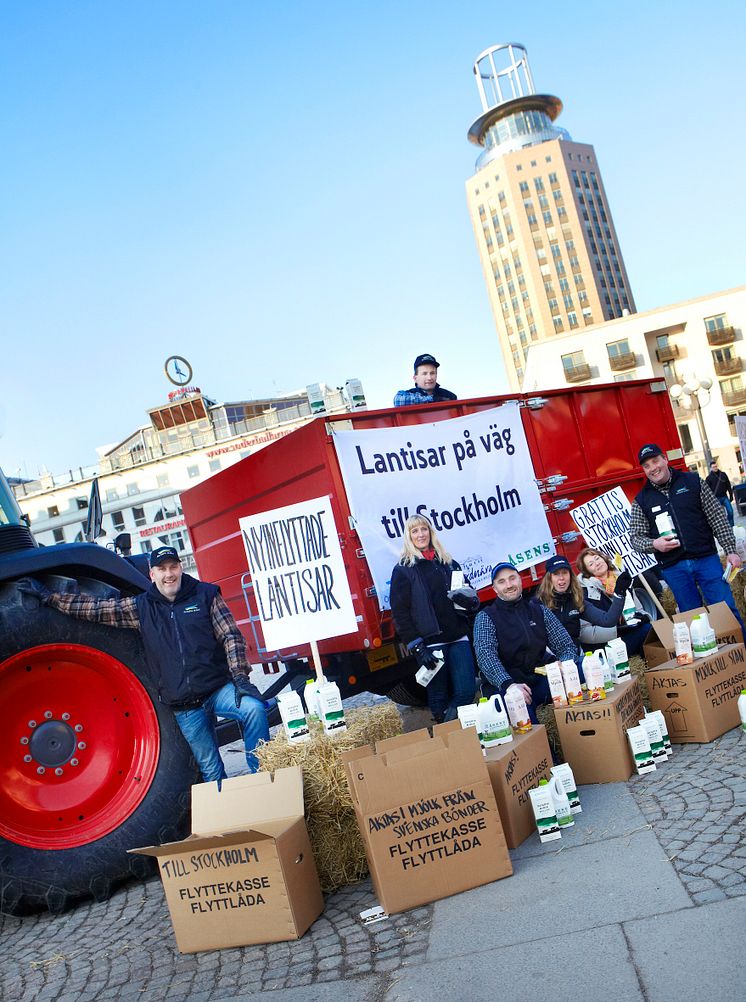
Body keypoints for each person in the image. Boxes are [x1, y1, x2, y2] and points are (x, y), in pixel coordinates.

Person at [17, 545, 270, 783]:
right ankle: (232, 818)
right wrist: (50, 597)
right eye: (162, 569)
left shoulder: (206, 595)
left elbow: (231, 635)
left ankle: (260, 779)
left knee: (254, 709)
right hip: (185, 706)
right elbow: (95, 608)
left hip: (218, 690)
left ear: (180, 568)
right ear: (152, 574)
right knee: (212, 771)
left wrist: (240, 678)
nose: (168, 574)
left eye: (173, 567)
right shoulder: (141, 607)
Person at [630, 443, 744, 627]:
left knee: (726, 610)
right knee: (693, 620)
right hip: (674, 568)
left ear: (665, 459)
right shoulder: (641, 500)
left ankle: (740, 654)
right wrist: (654, 544)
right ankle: (711, 656)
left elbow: (717, 517)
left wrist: (731, 550)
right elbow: (635, 538)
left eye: (655, 461)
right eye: (646, 466)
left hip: (706, 558)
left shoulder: (692, 481)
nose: (653, 468)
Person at [389, 514, 478, 722]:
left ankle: (452, 735)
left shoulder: (448, 562)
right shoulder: (403, 569)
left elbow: (470, 594)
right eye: (415, 531)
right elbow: (400, 612)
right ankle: (447, 741)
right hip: (431, 643)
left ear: (430, 532)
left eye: (424, 529)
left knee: (466, 691)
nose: (420, 534)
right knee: (438, 696)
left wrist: (469, 601)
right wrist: (418, 647)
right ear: (409, 536)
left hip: (458, 637)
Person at [473, 561, 580, 723]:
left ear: (520, 580)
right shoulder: (486, 617)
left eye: (512, 578)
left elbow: (566, 645)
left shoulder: (538, 610)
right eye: (501, 582)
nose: (509, 585)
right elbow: (485, 656)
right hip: (508, 687)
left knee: (583, 668)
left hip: (539, 680)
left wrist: (565, 664)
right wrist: (509, 685)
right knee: (524, 717)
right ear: (494, 589)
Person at [536, 553, 632, 654]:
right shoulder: (538, 604)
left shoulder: (576, 599)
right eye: (556, 574)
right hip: (552, 661)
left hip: (576, 656)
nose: (561, 578)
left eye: (564, 572)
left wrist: (619, 594)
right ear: (549, 578)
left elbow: (608, 620)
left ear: (570, 576)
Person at [574, 548, 653, 656]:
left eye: (597, 558)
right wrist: (617, 630)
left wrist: (644, 617)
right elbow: (584, 633)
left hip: (629, 631)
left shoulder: (622, 579)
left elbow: (639, 609)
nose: (597, 563)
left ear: (604, 558)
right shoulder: (584, 593)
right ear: (587, 572)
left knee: (650, 629)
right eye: (591, 564)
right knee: (646, 631)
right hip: (604, 645)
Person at [393, 353, 458, 407]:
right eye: (424, 374)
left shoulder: (450, 396)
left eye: (432, 373)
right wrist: (432, 399)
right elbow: (398, 400)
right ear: (415, 378)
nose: (429, 378)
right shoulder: (408, 394)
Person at [706, 459, 735, 527]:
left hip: (724, 497)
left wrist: (731, 495)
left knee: (730, 512)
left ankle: (731, 526)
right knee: (721, 515)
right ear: (711, 468)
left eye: (716, 466)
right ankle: (726, 527)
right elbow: (707, 491)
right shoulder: (709, 478)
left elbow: (728, 485)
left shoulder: (723, 474)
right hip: (716, 499)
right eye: (713, 467)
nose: (715, 468)